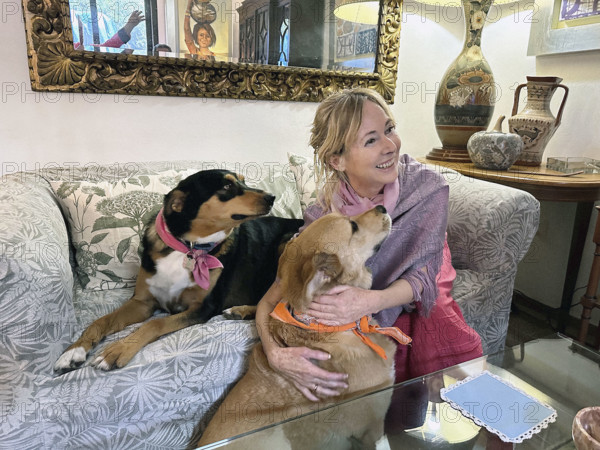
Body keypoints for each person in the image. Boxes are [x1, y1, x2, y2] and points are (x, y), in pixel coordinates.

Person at [255, 87, 483, 403]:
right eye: (371, 140)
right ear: (337, 160)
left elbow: (423, 276)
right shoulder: (323, 215)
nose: (391, 146)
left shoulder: (428, 189)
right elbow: (271, 299)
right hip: (374, 293)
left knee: (444, 342)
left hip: (425, 270)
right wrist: (275, 354)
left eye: (390, 129)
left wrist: (368, 301)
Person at [73, 10, 145, 51]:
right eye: (79, 29)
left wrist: (129, 26)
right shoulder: (68, 49)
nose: (83, 33)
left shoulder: (79, 46)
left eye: (81, 29)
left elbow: (107, 45)